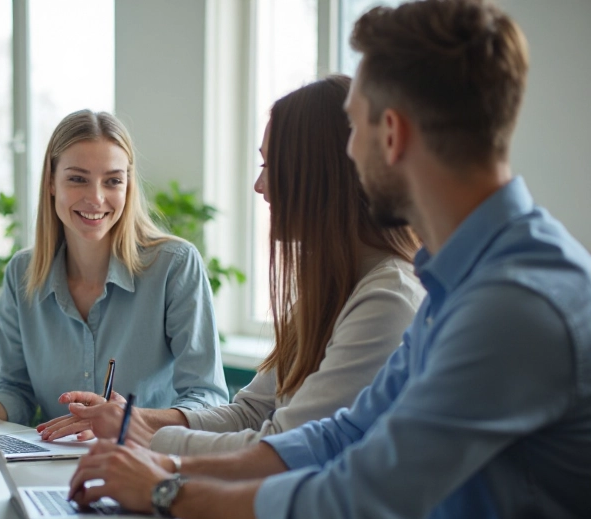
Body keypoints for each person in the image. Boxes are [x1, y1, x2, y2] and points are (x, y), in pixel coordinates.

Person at [67, 1, 591, 519]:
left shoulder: (513, 304)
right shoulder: (461, 278)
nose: (347, 152)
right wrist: (167, 469)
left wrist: (167, 490)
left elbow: (350, 502)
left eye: (356, 126)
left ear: (390, 134)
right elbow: (338, 438)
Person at [38, 76, 424, 455]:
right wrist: (131, 420)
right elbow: (252, 412)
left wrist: (141, 438)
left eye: (271, 166)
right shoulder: (333, 289)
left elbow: (282, 450)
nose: (259, 186)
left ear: (320, 175)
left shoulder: (387, 299)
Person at [0, 110, 229, 425]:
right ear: (51, 182)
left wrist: (127, 421)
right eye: (78, 179)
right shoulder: (22, 273)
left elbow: (207, 398)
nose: (96, 198)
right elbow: (15, 392)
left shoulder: (174, 266)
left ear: (128, 186)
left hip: (146, 462)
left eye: (112, 181)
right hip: (50, 467)